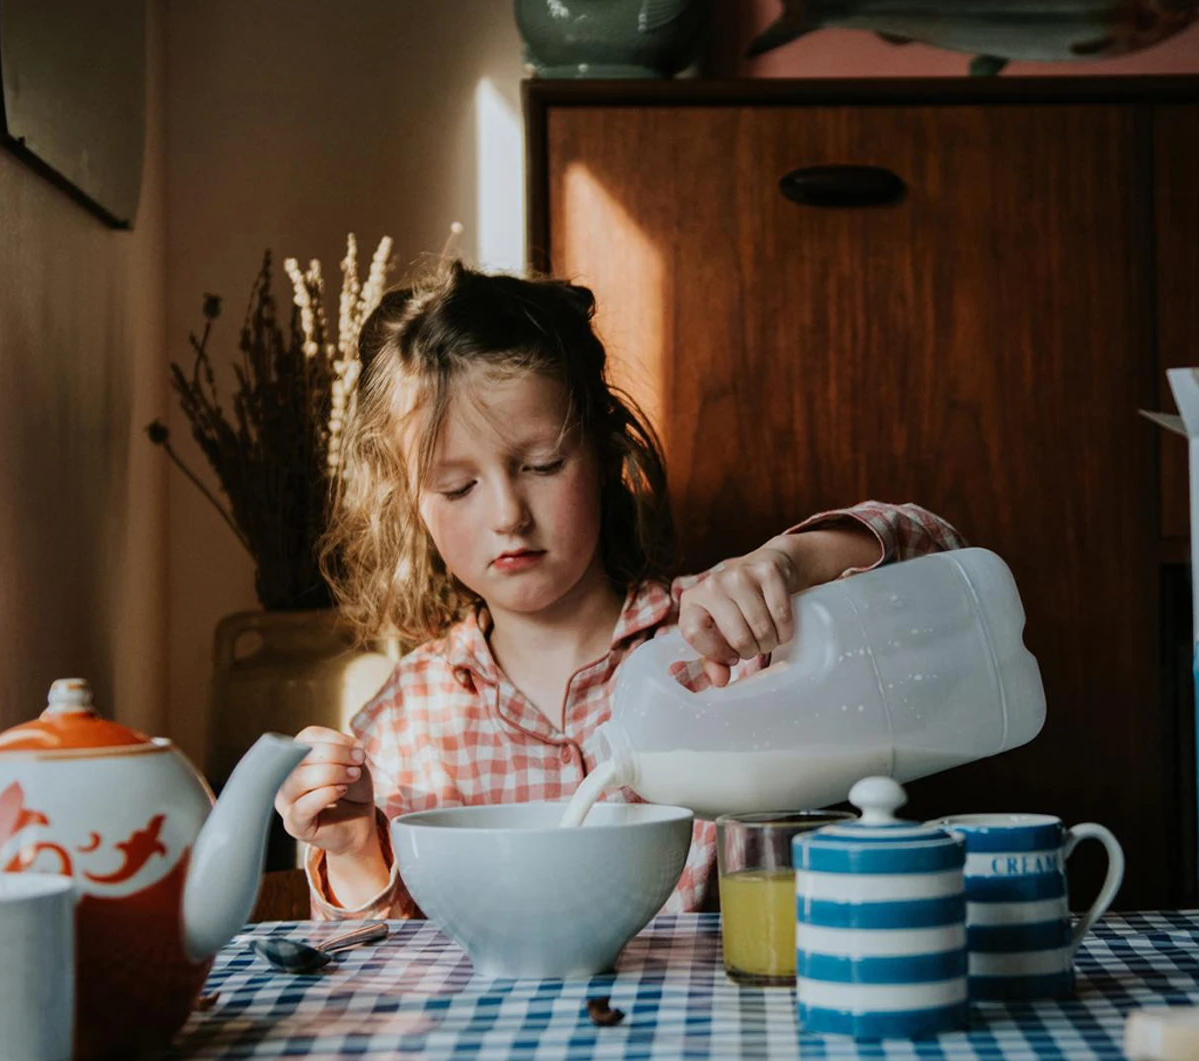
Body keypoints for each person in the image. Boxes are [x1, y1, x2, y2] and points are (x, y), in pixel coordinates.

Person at [273, 263, 964, 918]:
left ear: (605, 456)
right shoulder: (404, 724)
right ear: (413, 503)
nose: (508, 514)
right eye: (458, 487)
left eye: (542, 465)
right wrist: (356, 845)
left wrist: (794, 563)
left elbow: (948, 570)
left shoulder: (727, 640)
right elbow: (380, 969)